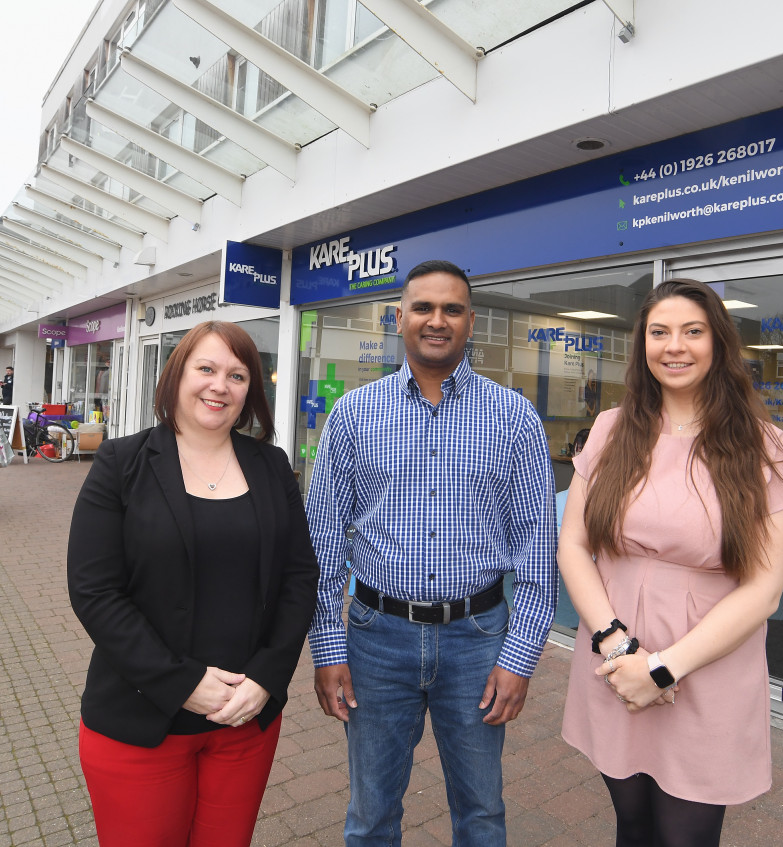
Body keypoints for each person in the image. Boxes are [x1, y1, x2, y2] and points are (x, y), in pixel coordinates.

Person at [307, 259, 557, 847]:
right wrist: (327, 647)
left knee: (481, 812)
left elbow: (536, 552)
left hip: (478, 639)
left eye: (451, 309)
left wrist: (519, 657)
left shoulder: (513, 416)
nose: (436, 320)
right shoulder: (353, 415)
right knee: (370, 814)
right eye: (423, 307)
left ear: (471, 323)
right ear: (399, 319)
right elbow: (322, 545)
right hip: (375, 638)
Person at [558, 279, 783, 847]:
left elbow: (764, 590)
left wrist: (662, 669)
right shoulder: (610, 429)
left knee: (686, 836)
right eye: (659, 332)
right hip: (612, 656)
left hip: (706, 666)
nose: (675, 346)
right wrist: (620, 648)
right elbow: (573, 545)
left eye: (692, 331)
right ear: (642, 345)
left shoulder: (762, 446)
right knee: (634, 825)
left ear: (718, 343)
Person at [67, 321, 319, 847]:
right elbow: (95, 590)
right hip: (140, 722)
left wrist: (268, 676)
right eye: (206, 368)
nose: (219, 386)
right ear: (177, 376)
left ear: (250, 391)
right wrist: (180, 683)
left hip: (243, 721)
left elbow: (299, 577)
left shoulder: (272, 467)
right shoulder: (121, 463)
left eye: (237, 375)